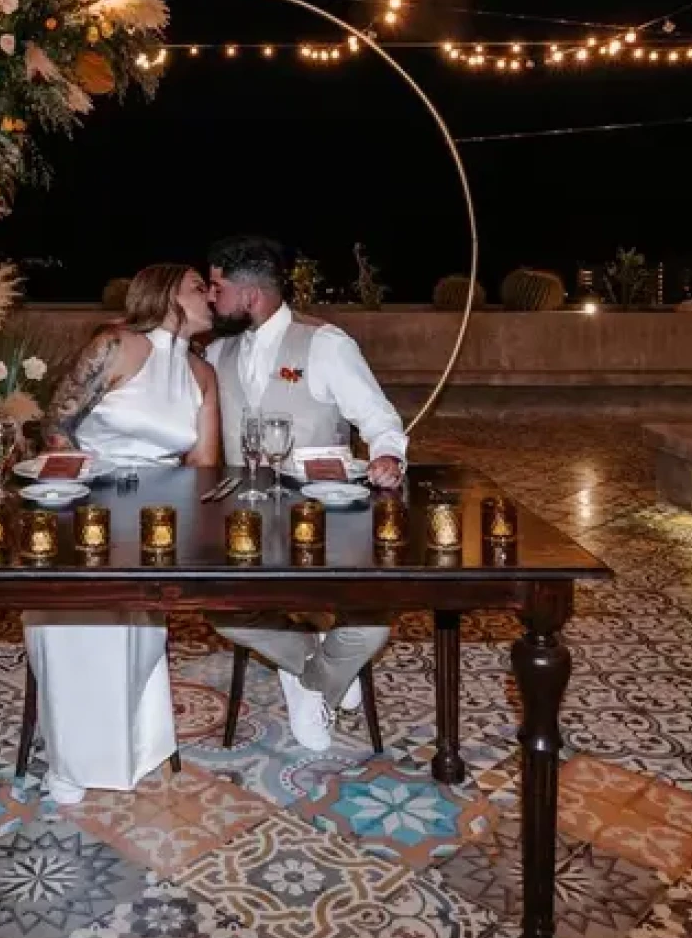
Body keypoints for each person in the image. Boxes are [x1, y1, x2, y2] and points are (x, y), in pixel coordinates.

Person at [22, 263, 220, 804]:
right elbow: (56, 425)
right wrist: (80, 482)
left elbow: (204, 463)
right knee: (79, 633)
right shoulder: (116, 345)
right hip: (87, 502)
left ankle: (131, 745)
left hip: (158, 516)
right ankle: (70, 758)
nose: (211, 294)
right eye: (199, 286)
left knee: (137, 633)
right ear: (165, 296)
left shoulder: (203, 374)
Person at [204, 234, 408, 753]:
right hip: (243, 522)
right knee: (220, 609)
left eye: (217, 287)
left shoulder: (325, 344)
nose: (211, 298)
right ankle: (308, 655)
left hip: (324, 520)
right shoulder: (215, 351)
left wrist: (388, 455)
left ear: (249, 296)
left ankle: (311, 679)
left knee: (372, 625)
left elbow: (381, 420)